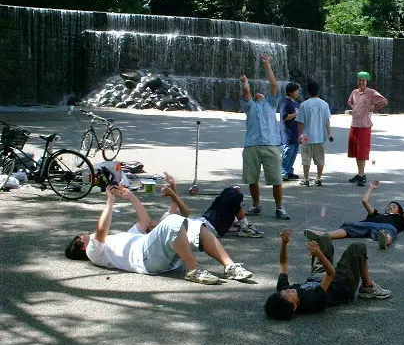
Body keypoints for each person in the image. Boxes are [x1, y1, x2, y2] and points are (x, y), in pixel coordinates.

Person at [65, 185, 252, 283]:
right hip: (145, 258)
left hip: (152, 251)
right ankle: (193, 269)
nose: (88, 233)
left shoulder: (115, 242)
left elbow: (144, 222)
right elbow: (100, 230)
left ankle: (230, 267)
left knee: (197, 226)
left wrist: (130, 195)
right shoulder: (93, 251)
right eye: (84, 235)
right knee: (171, 222)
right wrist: (110, 201)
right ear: (81, 244)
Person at [264, 230, 391, 320]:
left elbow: (283, 264)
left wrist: (284, 244)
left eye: (283, 292)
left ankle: (320, 248)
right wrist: (319, 254)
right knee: (357, 247)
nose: (287, 291)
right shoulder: (311, 300)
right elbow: (331, 273)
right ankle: (367, 287)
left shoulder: (283, 292)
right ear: (294, 307)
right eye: (287, 295)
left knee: (324, 238)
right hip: (340, 286)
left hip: (317, 277)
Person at [240, 53, 290, 220]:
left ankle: (279, 207)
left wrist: (266, 63)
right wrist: (245, 82)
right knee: (252, 179)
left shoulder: (271, 103)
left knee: (277, 179)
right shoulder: (249, 106)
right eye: (257, 94)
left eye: (262, 93)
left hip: (271, 145)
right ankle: (256, 205)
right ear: (255, 98)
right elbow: (246, 91)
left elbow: (274, 85)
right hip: (252, 145)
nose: (259, 93)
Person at [304, 181, 404, 250]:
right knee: (348, 226)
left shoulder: (400, 218)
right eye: (389, 205)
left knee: (389, 232)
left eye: (394, 206)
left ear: (399, 211)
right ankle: (322, 235)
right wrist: (371, 187)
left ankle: (384, 241)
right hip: (368, 224)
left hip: (387, 227)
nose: (390, 206)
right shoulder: (376, 214)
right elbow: (365, 202)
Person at [160, 172, 263, 238]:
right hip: (211, 229)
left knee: (229, 192)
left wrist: (172, 184)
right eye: (150, 225)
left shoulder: (163, 221)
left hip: (204, 220)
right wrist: (172, 194)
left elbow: (175, 203)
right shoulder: (164, 228)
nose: (151, 222)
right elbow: (186, 212)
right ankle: (244, 227)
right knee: (233, 197)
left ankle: (236, 222)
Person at [347, 71, 388, 186]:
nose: (361, 82)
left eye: (363, 80)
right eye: (359, 80)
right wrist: (354, 108)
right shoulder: (354, 92)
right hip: (354, 124)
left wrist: (374, 108)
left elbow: (384, 101)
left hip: (364, 126)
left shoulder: (371, 92)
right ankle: (360, 174)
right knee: (355, 151)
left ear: (366, 81)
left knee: (362, 151)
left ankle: (362, 175)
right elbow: (350, 102)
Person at [296, 80, 334, 186]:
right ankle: (318, 178)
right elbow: (327, 120)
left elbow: (301, 123)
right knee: (320, 158)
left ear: (308, 92)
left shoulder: (304, 105)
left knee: (306, 158)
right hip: (320, 136)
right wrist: (329, 134)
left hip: (306, 137)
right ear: (318, 91)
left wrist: (299, 136)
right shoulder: (324, 104)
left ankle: (306, 179)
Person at [279, 82, 301, 181]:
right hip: (287, 133)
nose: (298, 92)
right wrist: (295, 114)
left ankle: (289, 171)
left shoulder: (296, 103)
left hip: (295, 133)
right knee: (287, 153)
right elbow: (284, 117)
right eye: (296, 90)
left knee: (293, 153)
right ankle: (283, 173)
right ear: (291, 92)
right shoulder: (285, 102)